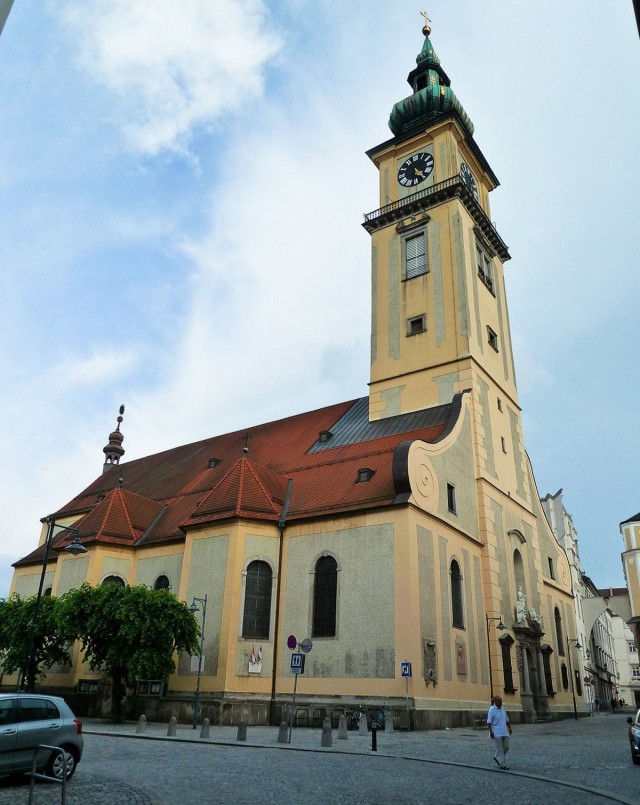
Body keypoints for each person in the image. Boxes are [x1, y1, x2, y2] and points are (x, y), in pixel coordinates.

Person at [487, 695, 512, 770]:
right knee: (500, 748)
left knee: (506, 747)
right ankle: (502, 764)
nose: (501, 702)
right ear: (495, 702)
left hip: (504, 731)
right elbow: (489, 722)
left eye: (501, 701)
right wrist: (490, 731)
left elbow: (506, 719)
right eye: (499, 701)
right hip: (496, 732)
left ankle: (497, 757)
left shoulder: (503, 708)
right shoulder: (491, 709)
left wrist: (509, 727)